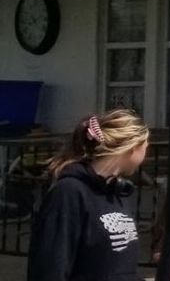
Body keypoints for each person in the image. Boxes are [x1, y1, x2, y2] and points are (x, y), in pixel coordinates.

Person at [27, 110, 150, 281]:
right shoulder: (69, 192)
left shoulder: (118, 194)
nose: (145, 156)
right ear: (131, 148)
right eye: (145, 147)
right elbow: (50, 267)